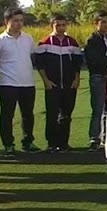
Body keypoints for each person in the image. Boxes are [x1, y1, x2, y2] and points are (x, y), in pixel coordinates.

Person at [0, 7, 40, 157]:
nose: (19, 23)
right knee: (7, 115)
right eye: (15, 21)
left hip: (27, 83)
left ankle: (28, 142)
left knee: (28, 115)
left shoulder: (28, 38)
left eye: (21, 20)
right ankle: (8, 144)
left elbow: (31, 57)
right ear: (7, 22)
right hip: (7, 84)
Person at [34, 13, 83, 153]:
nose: (61, 28)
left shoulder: (72, 43)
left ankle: (64, 143)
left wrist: (76, 79)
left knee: (66, 115)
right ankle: (51, 143)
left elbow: (77, 64)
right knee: (52, 114)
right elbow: (40, 64)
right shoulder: (44, 43)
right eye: (58, 25)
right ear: (52, 25)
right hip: (52, 85)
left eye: (63, 24)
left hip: (69, 85)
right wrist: (46, 81)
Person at [83, 10, 107, 151]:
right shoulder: (92, 40)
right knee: (97, 109)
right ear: (96, 23)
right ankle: (94, 137)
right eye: (103, 22)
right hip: (98, 76)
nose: (106, 25)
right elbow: (95, 60)